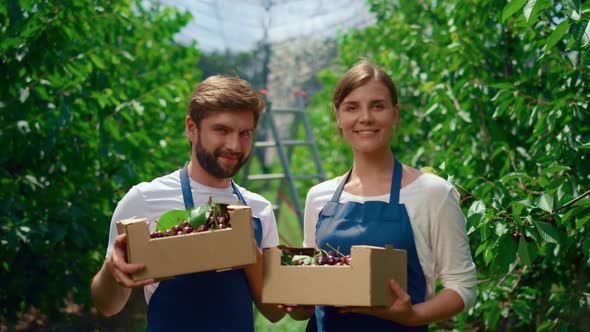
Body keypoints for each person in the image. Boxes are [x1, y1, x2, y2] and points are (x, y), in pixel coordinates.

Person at [286, 60, 477, 331]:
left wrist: (412, 315)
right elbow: (314, 288)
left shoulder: (432, 193)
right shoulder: (320, 197)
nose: (365, 118)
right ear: (338, 116)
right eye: (352, 107)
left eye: (377, 106)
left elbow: (463, 288)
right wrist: (300, 306)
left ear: (395, 114)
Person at [90, 75, 285, 331]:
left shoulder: (258, 209)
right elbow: (107, 306)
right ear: (192, 128)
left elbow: (274, 312)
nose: (234, 145)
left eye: (245, 133)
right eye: (222, 130)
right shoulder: (145, 199)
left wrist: (246, 248)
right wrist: (111, 269)